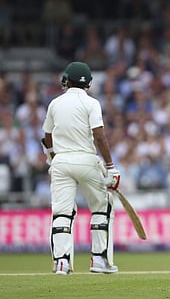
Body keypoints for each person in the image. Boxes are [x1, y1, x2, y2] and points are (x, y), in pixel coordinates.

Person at [42, 61, 121, 275]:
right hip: (86, 160)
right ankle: (98, 260)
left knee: (62, 212)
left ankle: (61, 263)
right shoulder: (91, 103)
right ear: (88, 82)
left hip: (61, 162)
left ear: (68, 80)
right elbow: (99, 136)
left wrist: (51, 156)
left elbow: (47, 135)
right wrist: (111, 167)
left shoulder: (55, 103)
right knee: (101, 207)